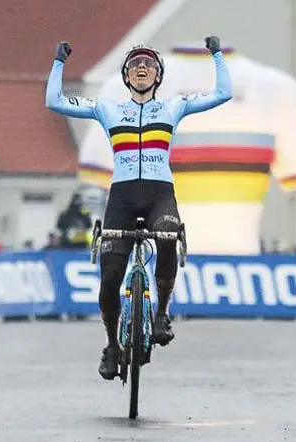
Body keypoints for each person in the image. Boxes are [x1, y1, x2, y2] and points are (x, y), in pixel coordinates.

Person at [45, 35, 232, 380]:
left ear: (157, 76)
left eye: (148, 64)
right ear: (126, 77)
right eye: (134, 65)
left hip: (160, 193)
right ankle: (112, 347)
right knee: (110, 277)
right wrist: (59, 62)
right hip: (122, 197)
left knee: (166, 235)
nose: (141, 68)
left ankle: (161, 313)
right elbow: (54, 101)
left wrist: (216, 55)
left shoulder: (174, 106)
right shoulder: (108, 109)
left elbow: (223, 94)